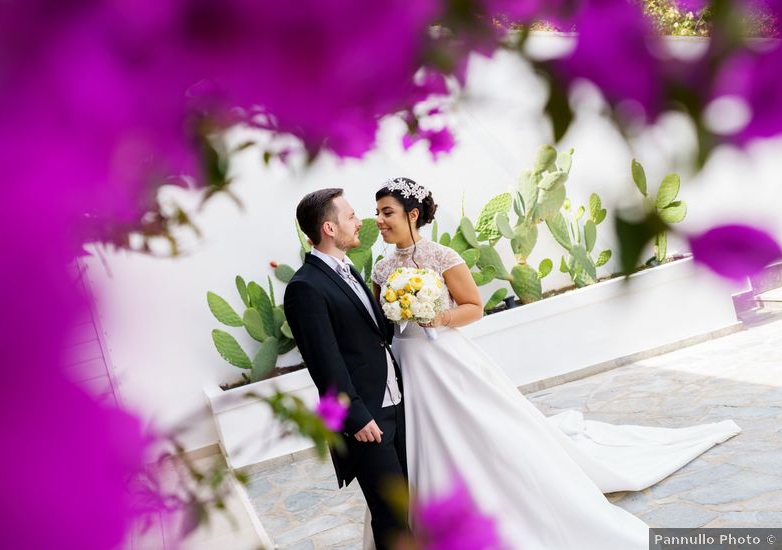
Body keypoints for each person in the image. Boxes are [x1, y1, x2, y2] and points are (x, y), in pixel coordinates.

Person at [366, 176, 741, 549]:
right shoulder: (381, 269)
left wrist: (439, 317)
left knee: (484, 427)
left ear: (413, 214)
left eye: (388, 213)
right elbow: (381, 321)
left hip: (446, 357)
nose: (380, 221)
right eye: (377, 213)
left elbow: (473, 307)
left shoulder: (443, 257)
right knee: (422, 438)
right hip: (406, 362)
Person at [283, 188, 410, 550]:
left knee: (408, 504)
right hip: (367, 419)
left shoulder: (348, 270)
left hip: (396, 403)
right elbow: (325, 361)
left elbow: (374, 338)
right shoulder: (305, 287)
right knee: (390, 515)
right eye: (351, 216)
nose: (361, 222)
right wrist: (355, 416)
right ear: (329, 228)